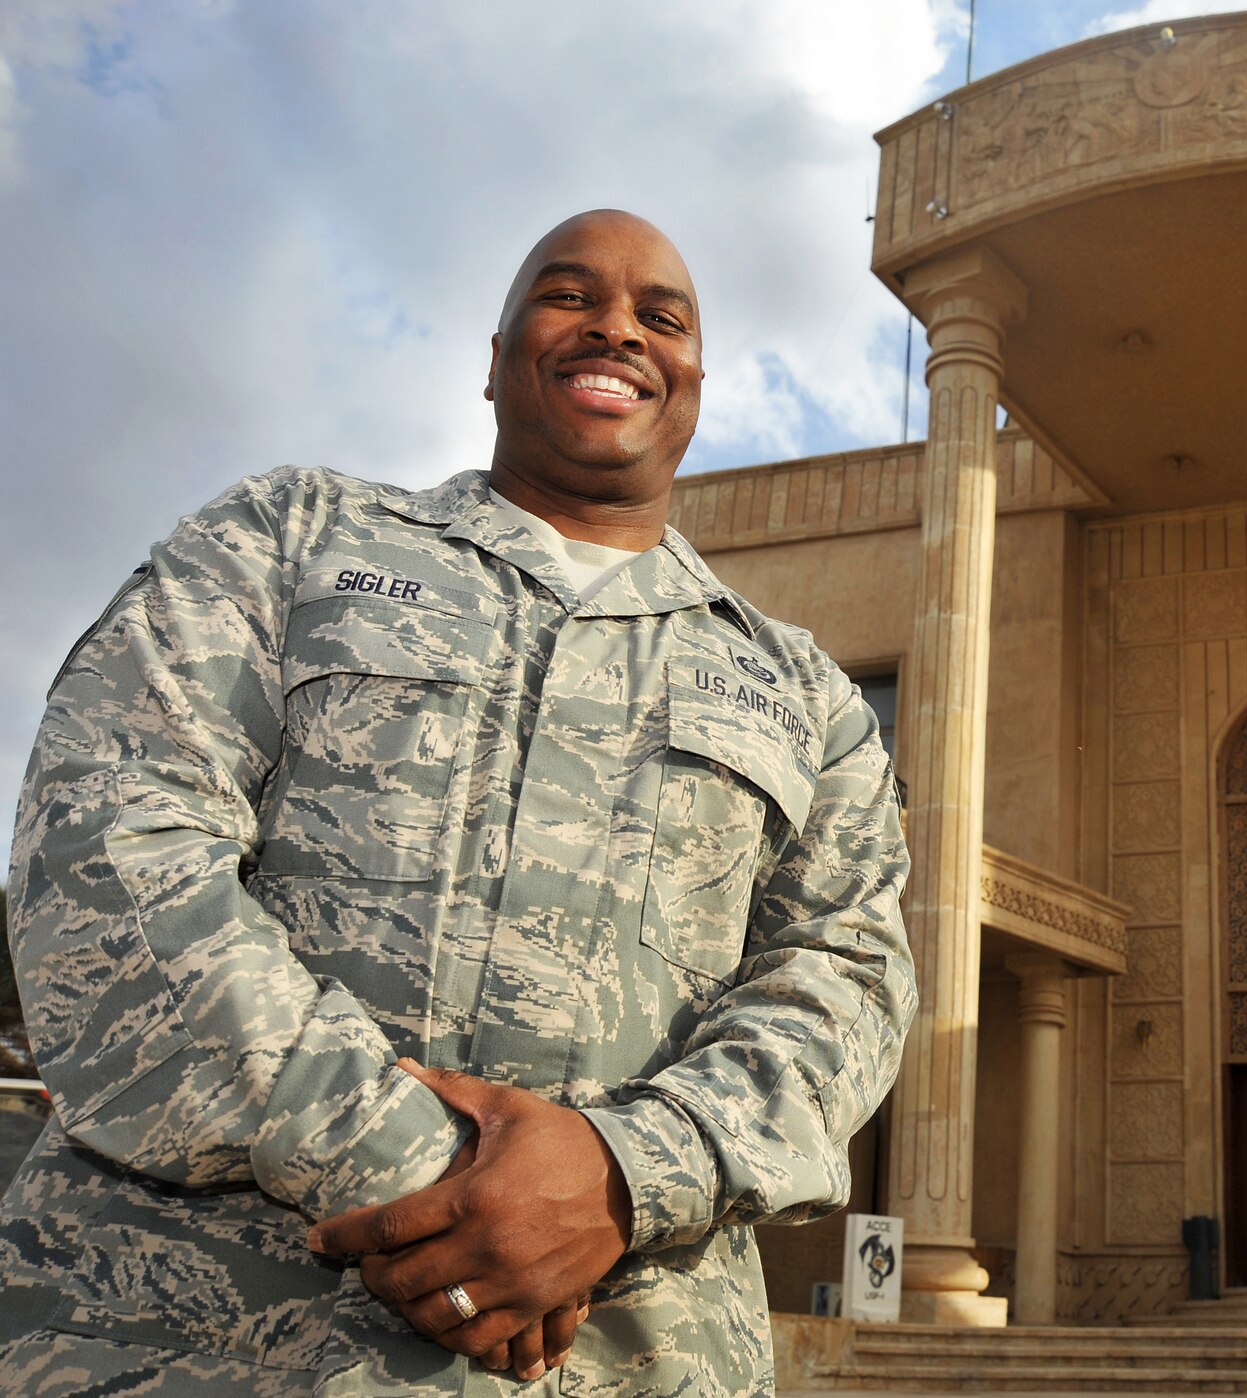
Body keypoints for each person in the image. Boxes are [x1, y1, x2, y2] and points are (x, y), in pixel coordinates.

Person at [0, 209, 915, 1395]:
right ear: (495, 357)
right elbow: (111, 835)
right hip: (195, 1343)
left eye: (662, 315)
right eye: (569, 294)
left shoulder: (805, 695)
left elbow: (850, 980)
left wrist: (620, 1176)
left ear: (693, 381)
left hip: (628, 1362)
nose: (618, 328)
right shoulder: (291, 540)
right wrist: (415, 1168)